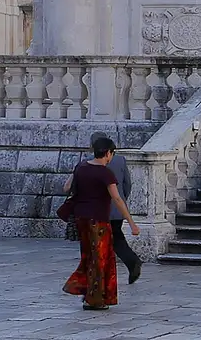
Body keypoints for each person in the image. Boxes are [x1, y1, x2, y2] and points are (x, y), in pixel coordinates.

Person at [58, 132, 130, 310]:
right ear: (108, 153)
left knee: (89, 256)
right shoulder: (105, 173)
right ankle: (95, 298)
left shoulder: (81, 167)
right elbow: (117, 199)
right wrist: (131, 222)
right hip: (98, 220)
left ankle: (87, 292)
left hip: (81, 218)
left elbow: (66, 187)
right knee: (101, 259)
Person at [103, 139, 143, 285]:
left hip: (100, 210)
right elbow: (128, 183)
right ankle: (132, 262)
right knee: (117, 237)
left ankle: (132, 262)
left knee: (106, 241)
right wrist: (123, 199)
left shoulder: (88, 162)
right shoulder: (120, 160)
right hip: (118, 208)